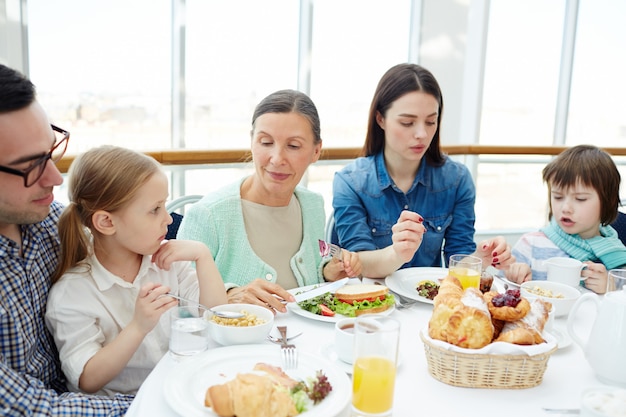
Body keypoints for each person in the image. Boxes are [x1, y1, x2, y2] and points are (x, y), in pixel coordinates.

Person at [0, 64, 132, 414]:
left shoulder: (52, 224)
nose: (56, 178)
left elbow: (133, 258)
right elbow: (25, 407)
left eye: (51, 150)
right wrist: (154, 403)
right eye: (30, 166)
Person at [45, 146, 228, 396]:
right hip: (123, 406)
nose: (169, 219)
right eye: (155, 210)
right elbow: (87, 379)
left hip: (177, 390)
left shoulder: (167, 259)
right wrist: (138, 326)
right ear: (106, 222)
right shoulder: (72, 293)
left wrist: (203, 256)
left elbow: (216, 316)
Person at [178, 89, 362, 312]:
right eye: (266, 142)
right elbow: (179, 300)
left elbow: (312, 267)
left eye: (293, 146)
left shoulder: (312, 205)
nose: (277, 159)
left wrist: (326, 272)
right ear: (252, 142)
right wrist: (228, 296)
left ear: (316, 151)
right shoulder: (208, 214)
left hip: (301, 343)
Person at [332, 63, 514, 278]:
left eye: (431, 122)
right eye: (407, 122)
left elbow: (458, 259)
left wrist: (480, 259)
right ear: (380, 119)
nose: (422, 134)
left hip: (429, 304)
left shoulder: (457, 180)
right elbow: (357, 262)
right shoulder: (350, 182)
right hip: (375, 304)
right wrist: (397, 253)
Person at [504, 145, 626, 293]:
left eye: (580, 199)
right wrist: (513, 276)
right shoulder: (531, 244)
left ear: (608, 201)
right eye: (558, 197)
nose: (566, 208)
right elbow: (501, 291)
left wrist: (611, 287)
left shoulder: (617, 253)